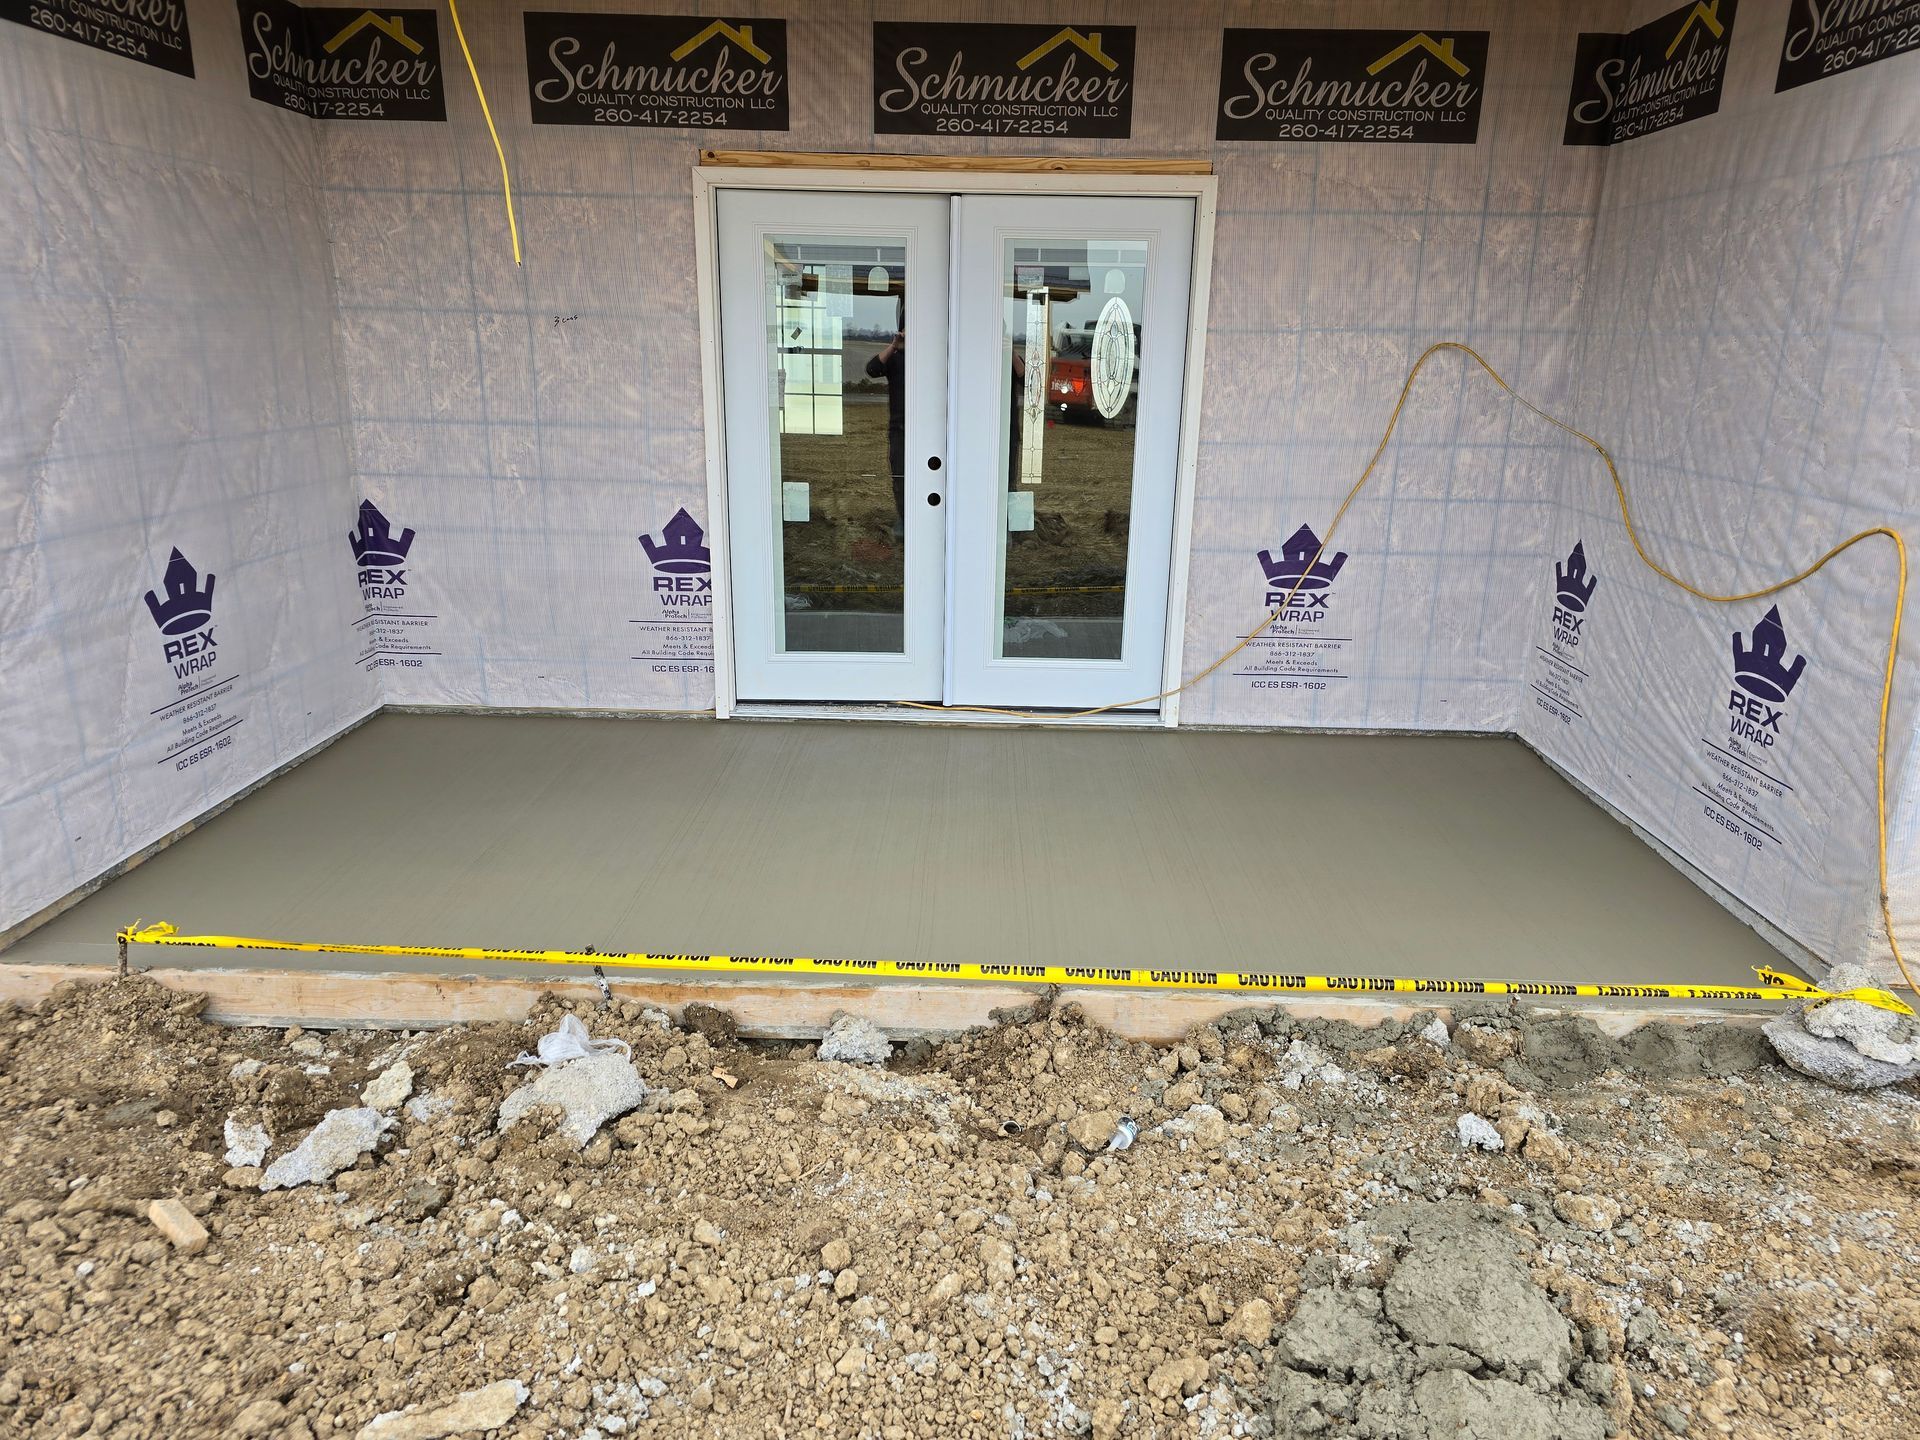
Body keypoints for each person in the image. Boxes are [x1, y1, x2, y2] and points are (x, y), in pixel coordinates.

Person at [864, 300, 906, 522]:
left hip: (931, 430)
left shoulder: (934, 358)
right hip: (899, 429)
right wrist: (894, 346)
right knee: (900, 476)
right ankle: (904, 520)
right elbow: (872, 369)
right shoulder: (895, 358)